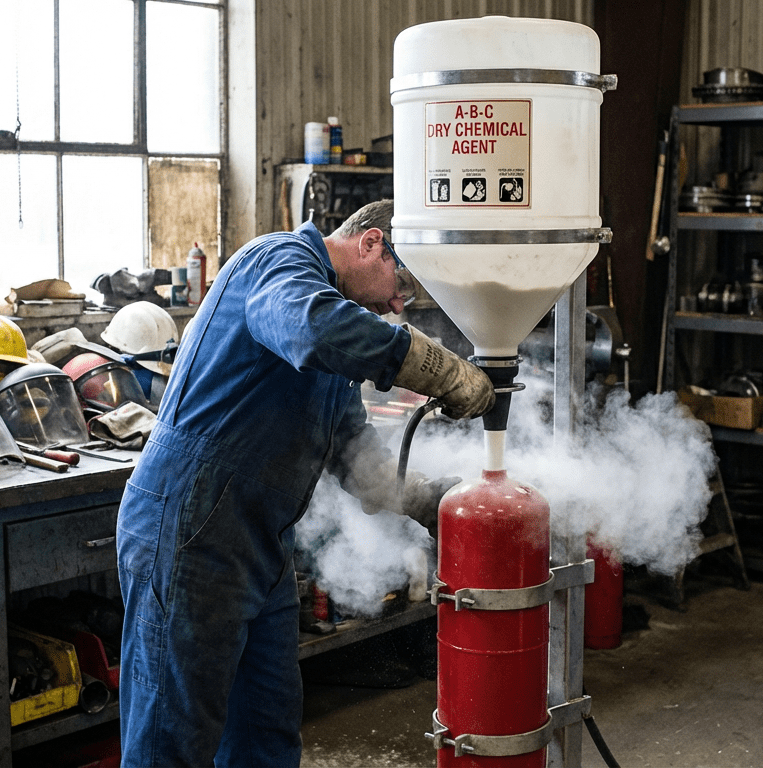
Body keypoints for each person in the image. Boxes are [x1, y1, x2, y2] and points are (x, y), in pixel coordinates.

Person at [116, 200, 494, 767]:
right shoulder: (277, 262)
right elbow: (313, 329)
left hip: (260, 546)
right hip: (188, 530)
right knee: (172, 743)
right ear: (370, 243)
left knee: (266, 735)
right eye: (403, 284)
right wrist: (436, 367)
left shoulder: (335, 343)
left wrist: (433, 499)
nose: (397, 304)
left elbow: (358, 462)